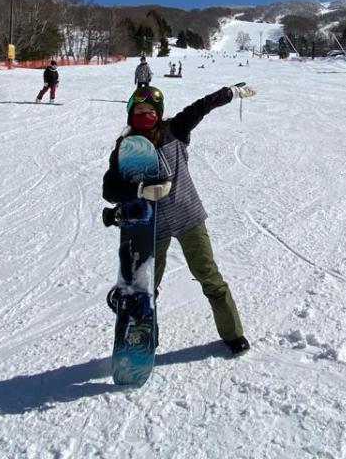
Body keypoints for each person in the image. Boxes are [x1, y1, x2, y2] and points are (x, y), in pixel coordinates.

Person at [102, 83, 258, 356]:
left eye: (150, 111)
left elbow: (202, 106)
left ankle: (233, 334)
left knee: (209, 276)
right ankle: (147, 337)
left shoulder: (175, 129)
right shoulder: (125, 147)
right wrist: (138, 190)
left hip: (188, 216)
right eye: (139, 110)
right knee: (146, 288)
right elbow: (109, 190)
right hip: (152, 227)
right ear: (130, 113)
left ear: (159, 113)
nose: (145, 115)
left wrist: (231, 92)